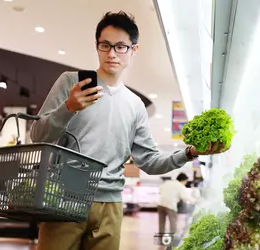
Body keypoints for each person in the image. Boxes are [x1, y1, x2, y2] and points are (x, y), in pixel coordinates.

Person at [30, 11, 227, 250]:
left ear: (134, 50)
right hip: (62, 201)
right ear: (97, 46)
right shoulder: (70, 83)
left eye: (121, 46)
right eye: (105, 45)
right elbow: (38, 135)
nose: (112, 53)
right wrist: (69, 107)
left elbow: (150, 161)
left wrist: (190, 152)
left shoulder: (135, 106)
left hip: (110, 207)